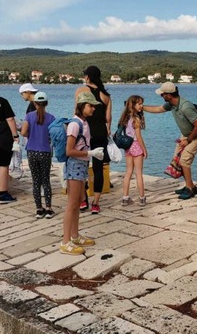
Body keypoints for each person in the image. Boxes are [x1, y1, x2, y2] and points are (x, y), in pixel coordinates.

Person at [143, 82, 197, 200]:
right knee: (177, 160)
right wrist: (142, 107)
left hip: (196, 136)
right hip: (186, 135)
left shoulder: (185, 107)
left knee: (184, 160)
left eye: (162, 94)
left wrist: (188, 140)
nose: (161, 96)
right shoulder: (171, 104)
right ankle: (190, 185)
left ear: (169, 95)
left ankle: (190, 189)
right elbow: (157, 109)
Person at [61, 91, 104, 255]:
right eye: (90, 105)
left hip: (82, 165)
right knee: (72, 204)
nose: (93, 109)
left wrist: (89, 155)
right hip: (75, 165)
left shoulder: (84, 122)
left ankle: (75, 235)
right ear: (81, 106)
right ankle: (65, 242)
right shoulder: (75, 124)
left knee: (78, 201)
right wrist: (90, 153)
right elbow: (69, 151)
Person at [74, 65, 112, 214]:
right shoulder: (105, 95)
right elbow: (108, 118)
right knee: (98, 168)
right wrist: (108, 129)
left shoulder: (80, 91)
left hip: (85, 132)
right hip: (100, 133)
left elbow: (76, 112)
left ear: (87, 76)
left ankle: (83, 200)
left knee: (82, 166)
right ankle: (96, 203)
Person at [21, 91, 56, 219]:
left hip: (31, 151)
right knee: (46, 180)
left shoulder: (29, 116)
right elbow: (54, 135)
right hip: (45, 151)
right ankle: (49, 208)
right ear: (46, 103)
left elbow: (24, 132)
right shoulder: (51, 118)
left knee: (36, 181)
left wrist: (30, 134)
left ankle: (38, 209)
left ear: (34, 103)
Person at [118, 95, 148, 206]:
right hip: (135, 145)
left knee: (128, 172)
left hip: (128, 146)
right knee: (139, 173)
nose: (141, 106)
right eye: (139, 104)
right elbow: (139, 137)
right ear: (133, 105)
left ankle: (125, 198)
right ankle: (142, 198)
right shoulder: (136, 119)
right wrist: (144, 149)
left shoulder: (125, 118)